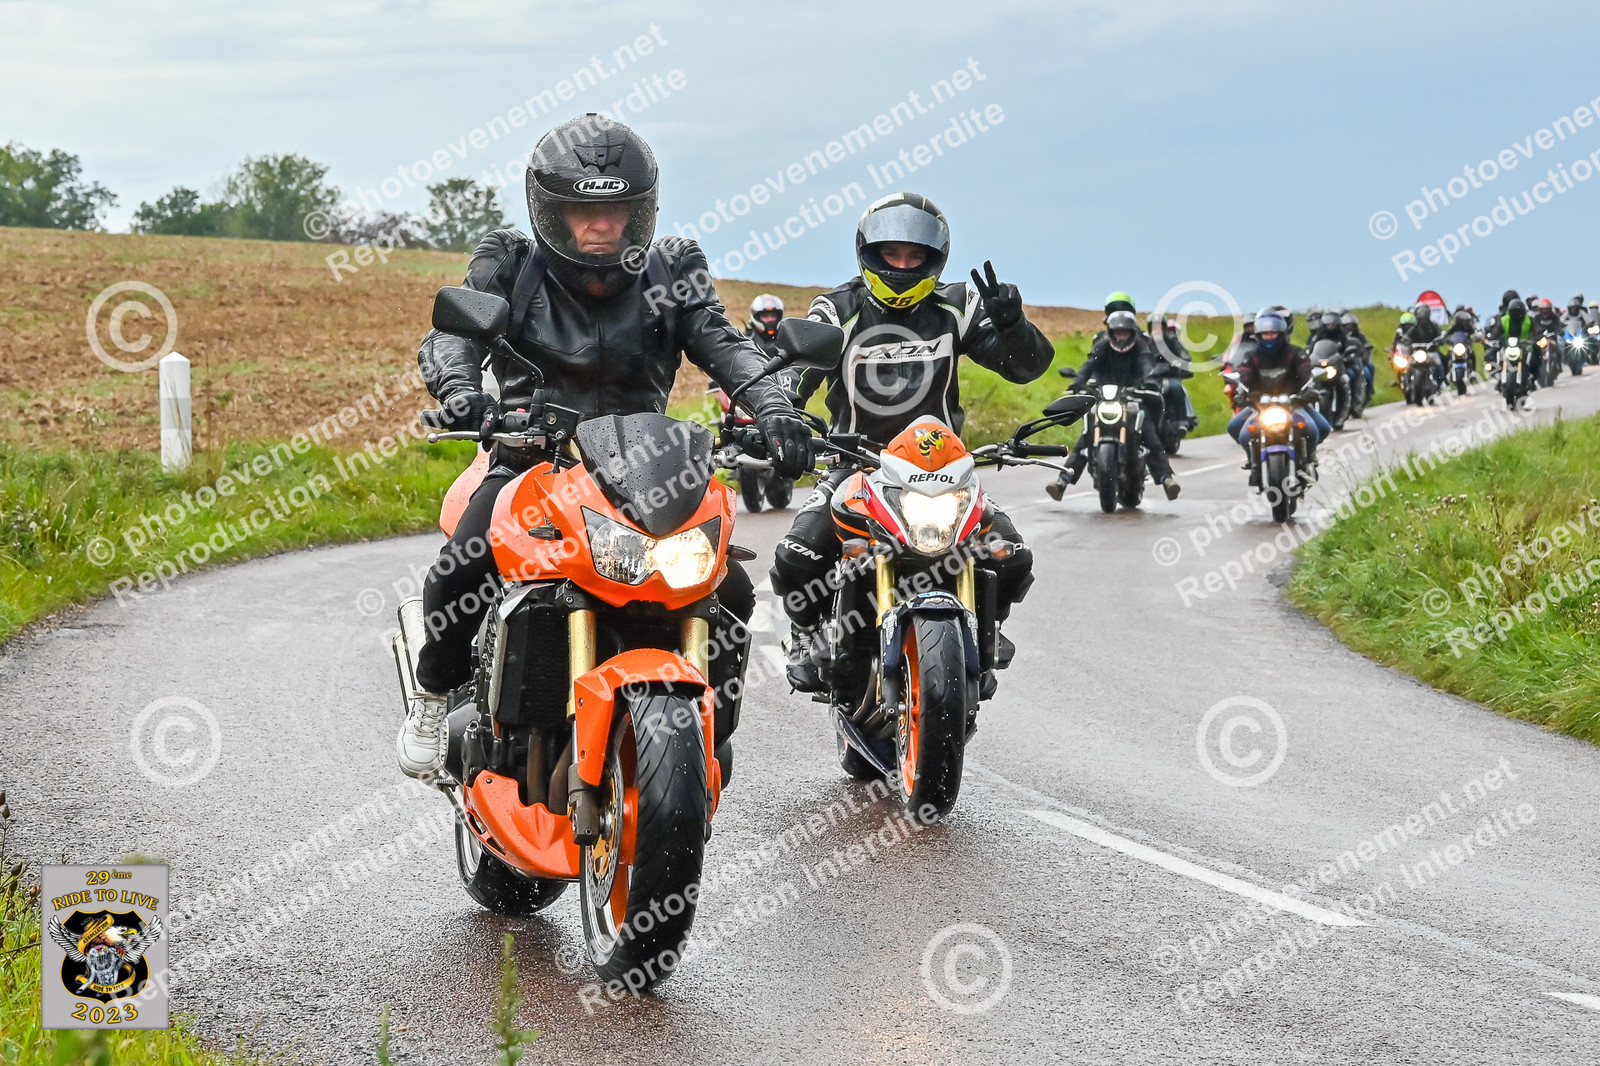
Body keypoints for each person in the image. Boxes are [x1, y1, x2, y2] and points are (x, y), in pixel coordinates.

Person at [398, 115, 811, 778]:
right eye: (581, 211)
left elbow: (724, 344)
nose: (599, 225)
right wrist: (461, 390)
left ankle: (707, 727)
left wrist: (774, 408)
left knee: (728, 586)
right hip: (531, 461)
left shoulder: (672, 269)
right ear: (551, 212)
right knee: (459, 570)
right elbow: (453, 334)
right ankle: (431, 695)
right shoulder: (511, 262)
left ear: (640, 212)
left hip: (645, 469)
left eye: (615, 211)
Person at [770, 192, 1053, 693]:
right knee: (798, 556)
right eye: (891, 254)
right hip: (856, 465)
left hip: (943, 467)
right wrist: (781, 418)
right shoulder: (838, 308)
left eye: (914, 256)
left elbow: (1025, 367)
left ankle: (985, 629)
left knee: (1012, 556)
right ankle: (808, 634)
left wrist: (1013, 326)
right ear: (868, 253)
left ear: (934, 258)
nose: (901, 266)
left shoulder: (957, 305)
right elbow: (796, 372)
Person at [1045, 309, 1182, 501]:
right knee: (1086, 435)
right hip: (1104, 396)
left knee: (1148, 432)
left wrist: (1150, 381)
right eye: (1117, 332)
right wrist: (1078, 382)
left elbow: (1146, 365)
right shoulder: (1102, 345)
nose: (1121, 337)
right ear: (1110, 332)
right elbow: (1089, 364)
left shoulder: (1140, 347)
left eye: (1125, 333)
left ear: (1132, 333)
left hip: (1133, 397)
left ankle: (1167, 479)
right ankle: (1062, 481)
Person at [1227, 310, 1330, 482]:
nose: (1269, 337)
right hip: (1260, 406)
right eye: (1265, 334)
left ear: (1281, 333)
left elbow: (1306, 373)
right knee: (1238, 430)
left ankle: (1309, 459)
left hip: (1294, 403)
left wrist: (1310, 389)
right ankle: (1254, 463)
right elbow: (1244, 375)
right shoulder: (1251, 356)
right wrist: (1242, 392)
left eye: (1273, 333)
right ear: (1258, 335)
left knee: (1319, 428)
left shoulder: (1296, 353)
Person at [746, 293, 785, 357]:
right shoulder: (746, 342)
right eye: (765, 316)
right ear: (756, 317)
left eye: (773, 315)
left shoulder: (787, 339)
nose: (770, 319)